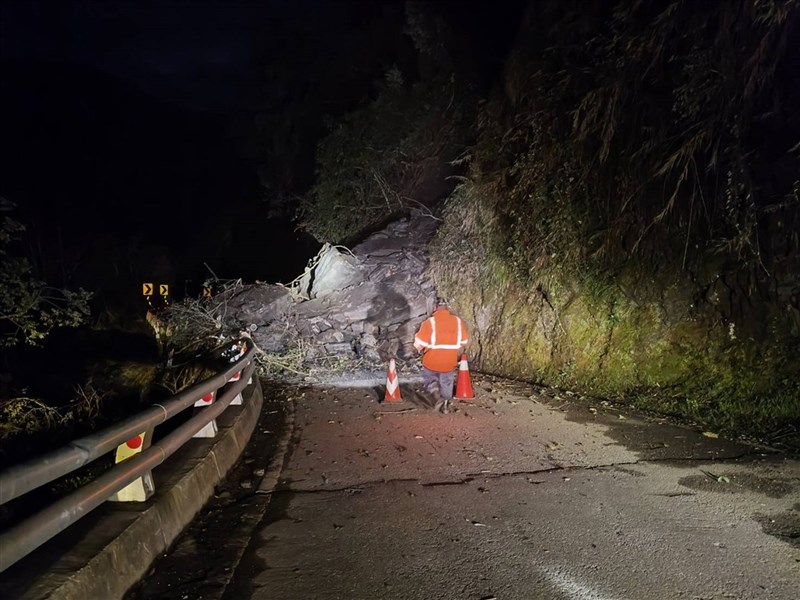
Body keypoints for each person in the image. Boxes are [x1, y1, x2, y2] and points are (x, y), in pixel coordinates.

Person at [413, 297, 469, 413]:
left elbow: (419, 343)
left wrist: (418, 348)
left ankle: (434, 395)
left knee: (429, 379)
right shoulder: (457, 322)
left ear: (434, 308)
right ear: (447, 308)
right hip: (449, 361)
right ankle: (445, 404)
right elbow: (463, 341)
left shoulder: (430, 322)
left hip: (431, 361)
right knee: (447, 382)